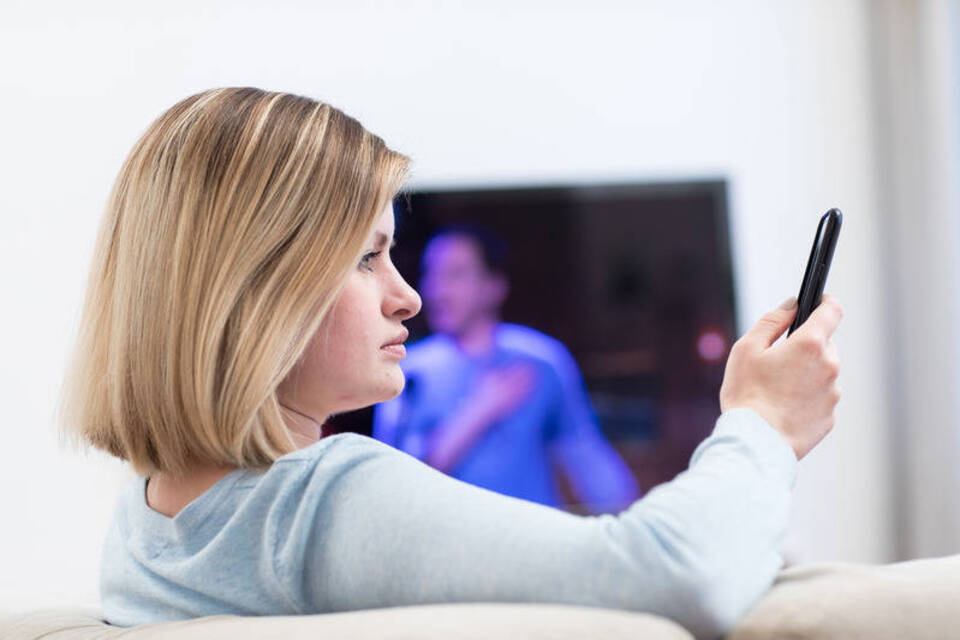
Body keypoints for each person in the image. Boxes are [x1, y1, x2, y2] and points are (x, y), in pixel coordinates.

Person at [59, 87, 843, 640]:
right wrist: (763, 425)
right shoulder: (320, 503)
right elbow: (678, 578)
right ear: (256, 289)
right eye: (368, 259)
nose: (409, 298)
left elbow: (589, 467)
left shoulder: (144, 526)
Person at [373, 224, 640, 513]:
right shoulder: (409, 370)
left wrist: (635, 520)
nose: (437, 290)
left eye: (455, 275)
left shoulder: (541, 360)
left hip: (534, 542)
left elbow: (586, 454)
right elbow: (396, 481)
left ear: (494, 286)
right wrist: (480, 411)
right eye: (431, 275)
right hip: (450, 549)